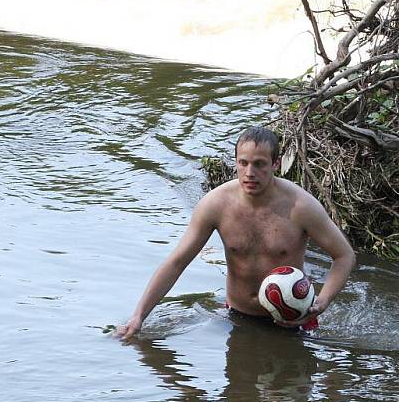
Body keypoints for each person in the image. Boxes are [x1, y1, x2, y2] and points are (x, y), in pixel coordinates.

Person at [115, 126, 356, 340]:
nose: (250, 172)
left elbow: (344, 256)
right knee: (238, 390)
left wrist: (323, 301)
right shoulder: (215, 205)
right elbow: (177, 262)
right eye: (243, 163)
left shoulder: (301, 207)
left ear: (276, 163)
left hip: (293, 321)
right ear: (236, 163)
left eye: (260, 164)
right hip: (237, 315)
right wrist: (139, 316)